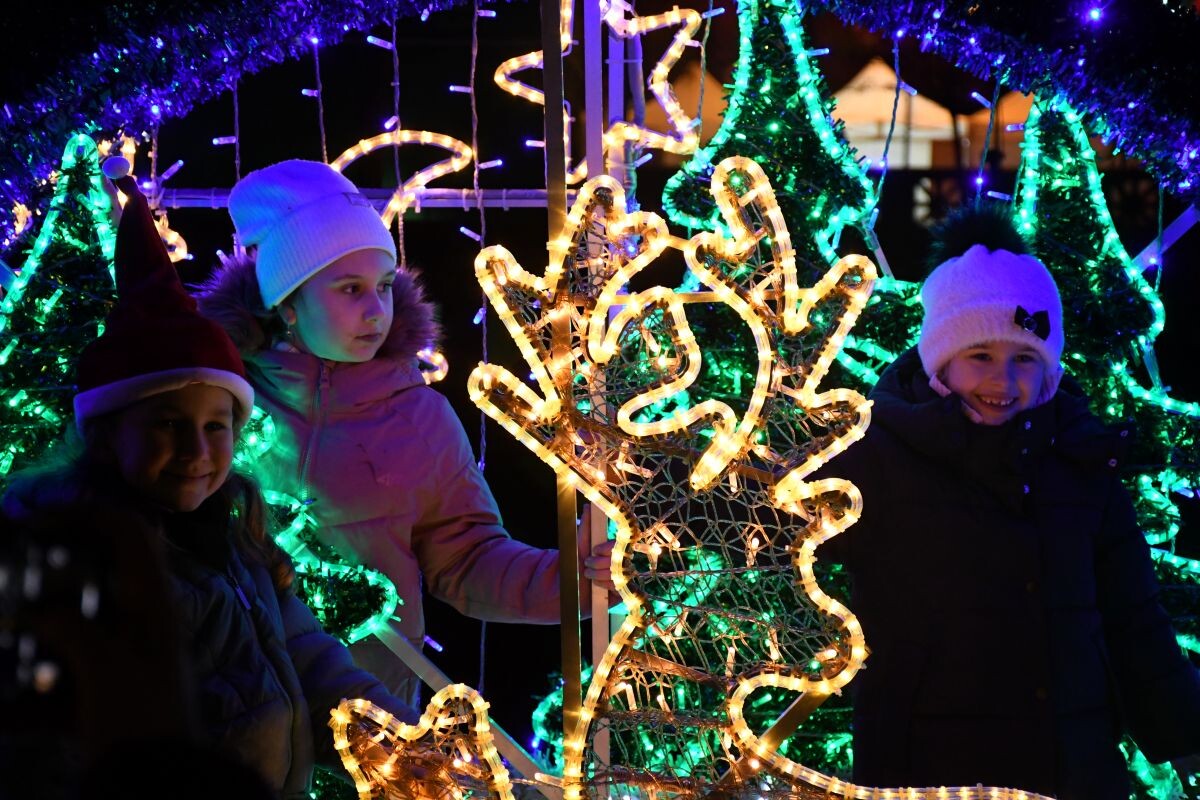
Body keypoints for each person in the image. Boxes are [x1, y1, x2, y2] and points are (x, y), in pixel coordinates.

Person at [0, 162, 419, 799]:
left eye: (216, 426)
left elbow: (310, 660)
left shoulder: (233, 538)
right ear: (108, 435)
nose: (196, 451)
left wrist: (407, 746)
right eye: (168, 425)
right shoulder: (77, 566)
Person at [196, 160, 615, 707]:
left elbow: (466, 559)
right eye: (350, 289)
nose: (376, 311)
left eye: (384, 286)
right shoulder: (221, 401)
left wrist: (574, 581)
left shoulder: (419, 417)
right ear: (288, 302)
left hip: (367, 714)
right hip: (227, 706)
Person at [815, 205, 1200, 798]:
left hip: (1072, 766)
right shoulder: (877, 459)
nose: (1003, 382)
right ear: (941, 360)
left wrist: (1183, 728)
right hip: (927, 767)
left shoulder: (1081, 461)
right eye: (980, 357)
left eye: (1024, 359)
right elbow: (777, 539)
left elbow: (1133, 616)